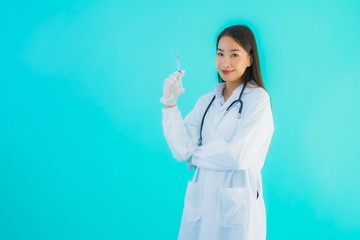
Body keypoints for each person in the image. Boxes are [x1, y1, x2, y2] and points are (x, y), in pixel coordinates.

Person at [160, 25, 274, 240]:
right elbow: (181, 149)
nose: (225, 62)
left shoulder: (258, 100)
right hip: (202, 201)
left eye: (234, 54)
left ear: (250, 59)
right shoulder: (207, 101)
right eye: (220, 53)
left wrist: (197, 155)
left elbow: (237, 157)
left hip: (237, 206)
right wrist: (170, 104)